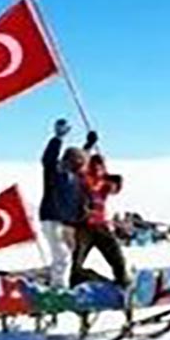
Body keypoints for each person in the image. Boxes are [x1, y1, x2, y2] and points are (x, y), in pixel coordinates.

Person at [38, 120, 95, 287]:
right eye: (79, 162)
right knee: (62, 255)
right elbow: (48, 159)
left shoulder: (76, 177)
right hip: (52, 219)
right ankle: (58, 289)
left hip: (67, 222)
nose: (82, 165)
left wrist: (89, 145)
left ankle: (59, 282)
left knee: (68, 256)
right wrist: (58, 138)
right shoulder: (56, 172)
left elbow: (83, 155)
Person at [71, 151, 129, 287]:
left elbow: (116, 189)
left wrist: (117, 180)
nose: (98, 170)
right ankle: (81, 279)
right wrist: (87, 147)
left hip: (100, 226)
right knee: (75, 262)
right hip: (83, 226)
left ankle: (123, 282)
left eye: (101, 168)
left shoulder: (104, 183)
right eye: (95, 167)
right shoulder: (84, 178)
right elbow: (79, 169)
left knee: (117, 257)